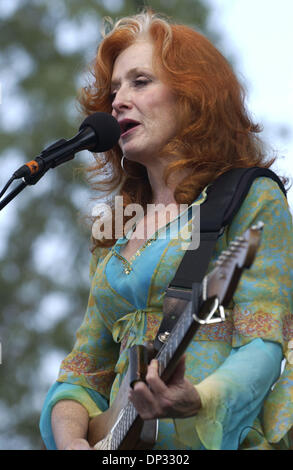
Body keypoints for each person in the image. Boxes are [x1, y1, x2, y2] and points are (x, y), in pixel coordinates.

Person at [39, 10, 293, 450]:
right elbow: (83, 372)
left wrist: (197, 399)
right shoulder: (113, 234)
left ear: (194, 97)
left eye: (140, 82)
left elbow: (264, 344)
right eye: (114, 89)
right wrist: (72, 441)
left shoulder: (250, 200)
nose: (117, 100)